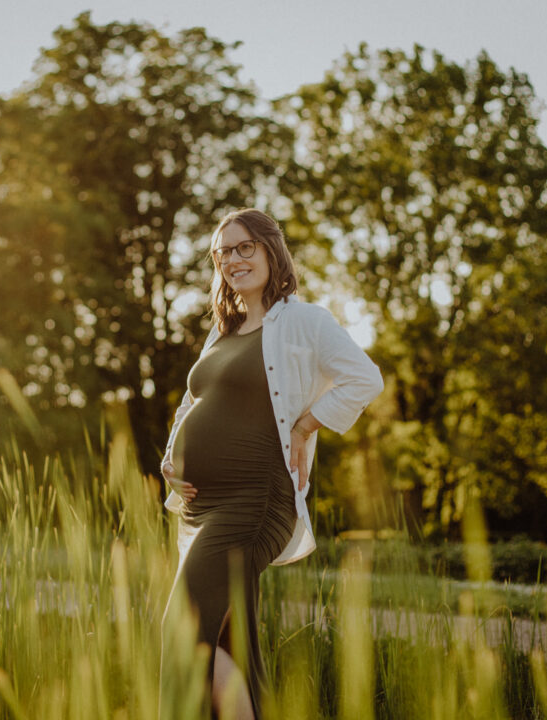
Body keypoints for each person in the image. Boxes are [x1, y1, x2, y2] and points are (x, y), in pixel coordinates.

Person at [158, 208, 384, 719]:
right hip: (203, 508)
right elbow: (192, 403)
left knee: (182, 632)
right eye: (223, 253)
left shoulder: (303, 321)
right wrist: (172, 456)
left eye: (244, 248)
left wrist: (307, 426)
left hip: (253, 503)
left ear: (269, 249)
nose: (234, 260)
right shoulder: (223, 331)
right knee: (226, 641)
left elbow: (365, 379)